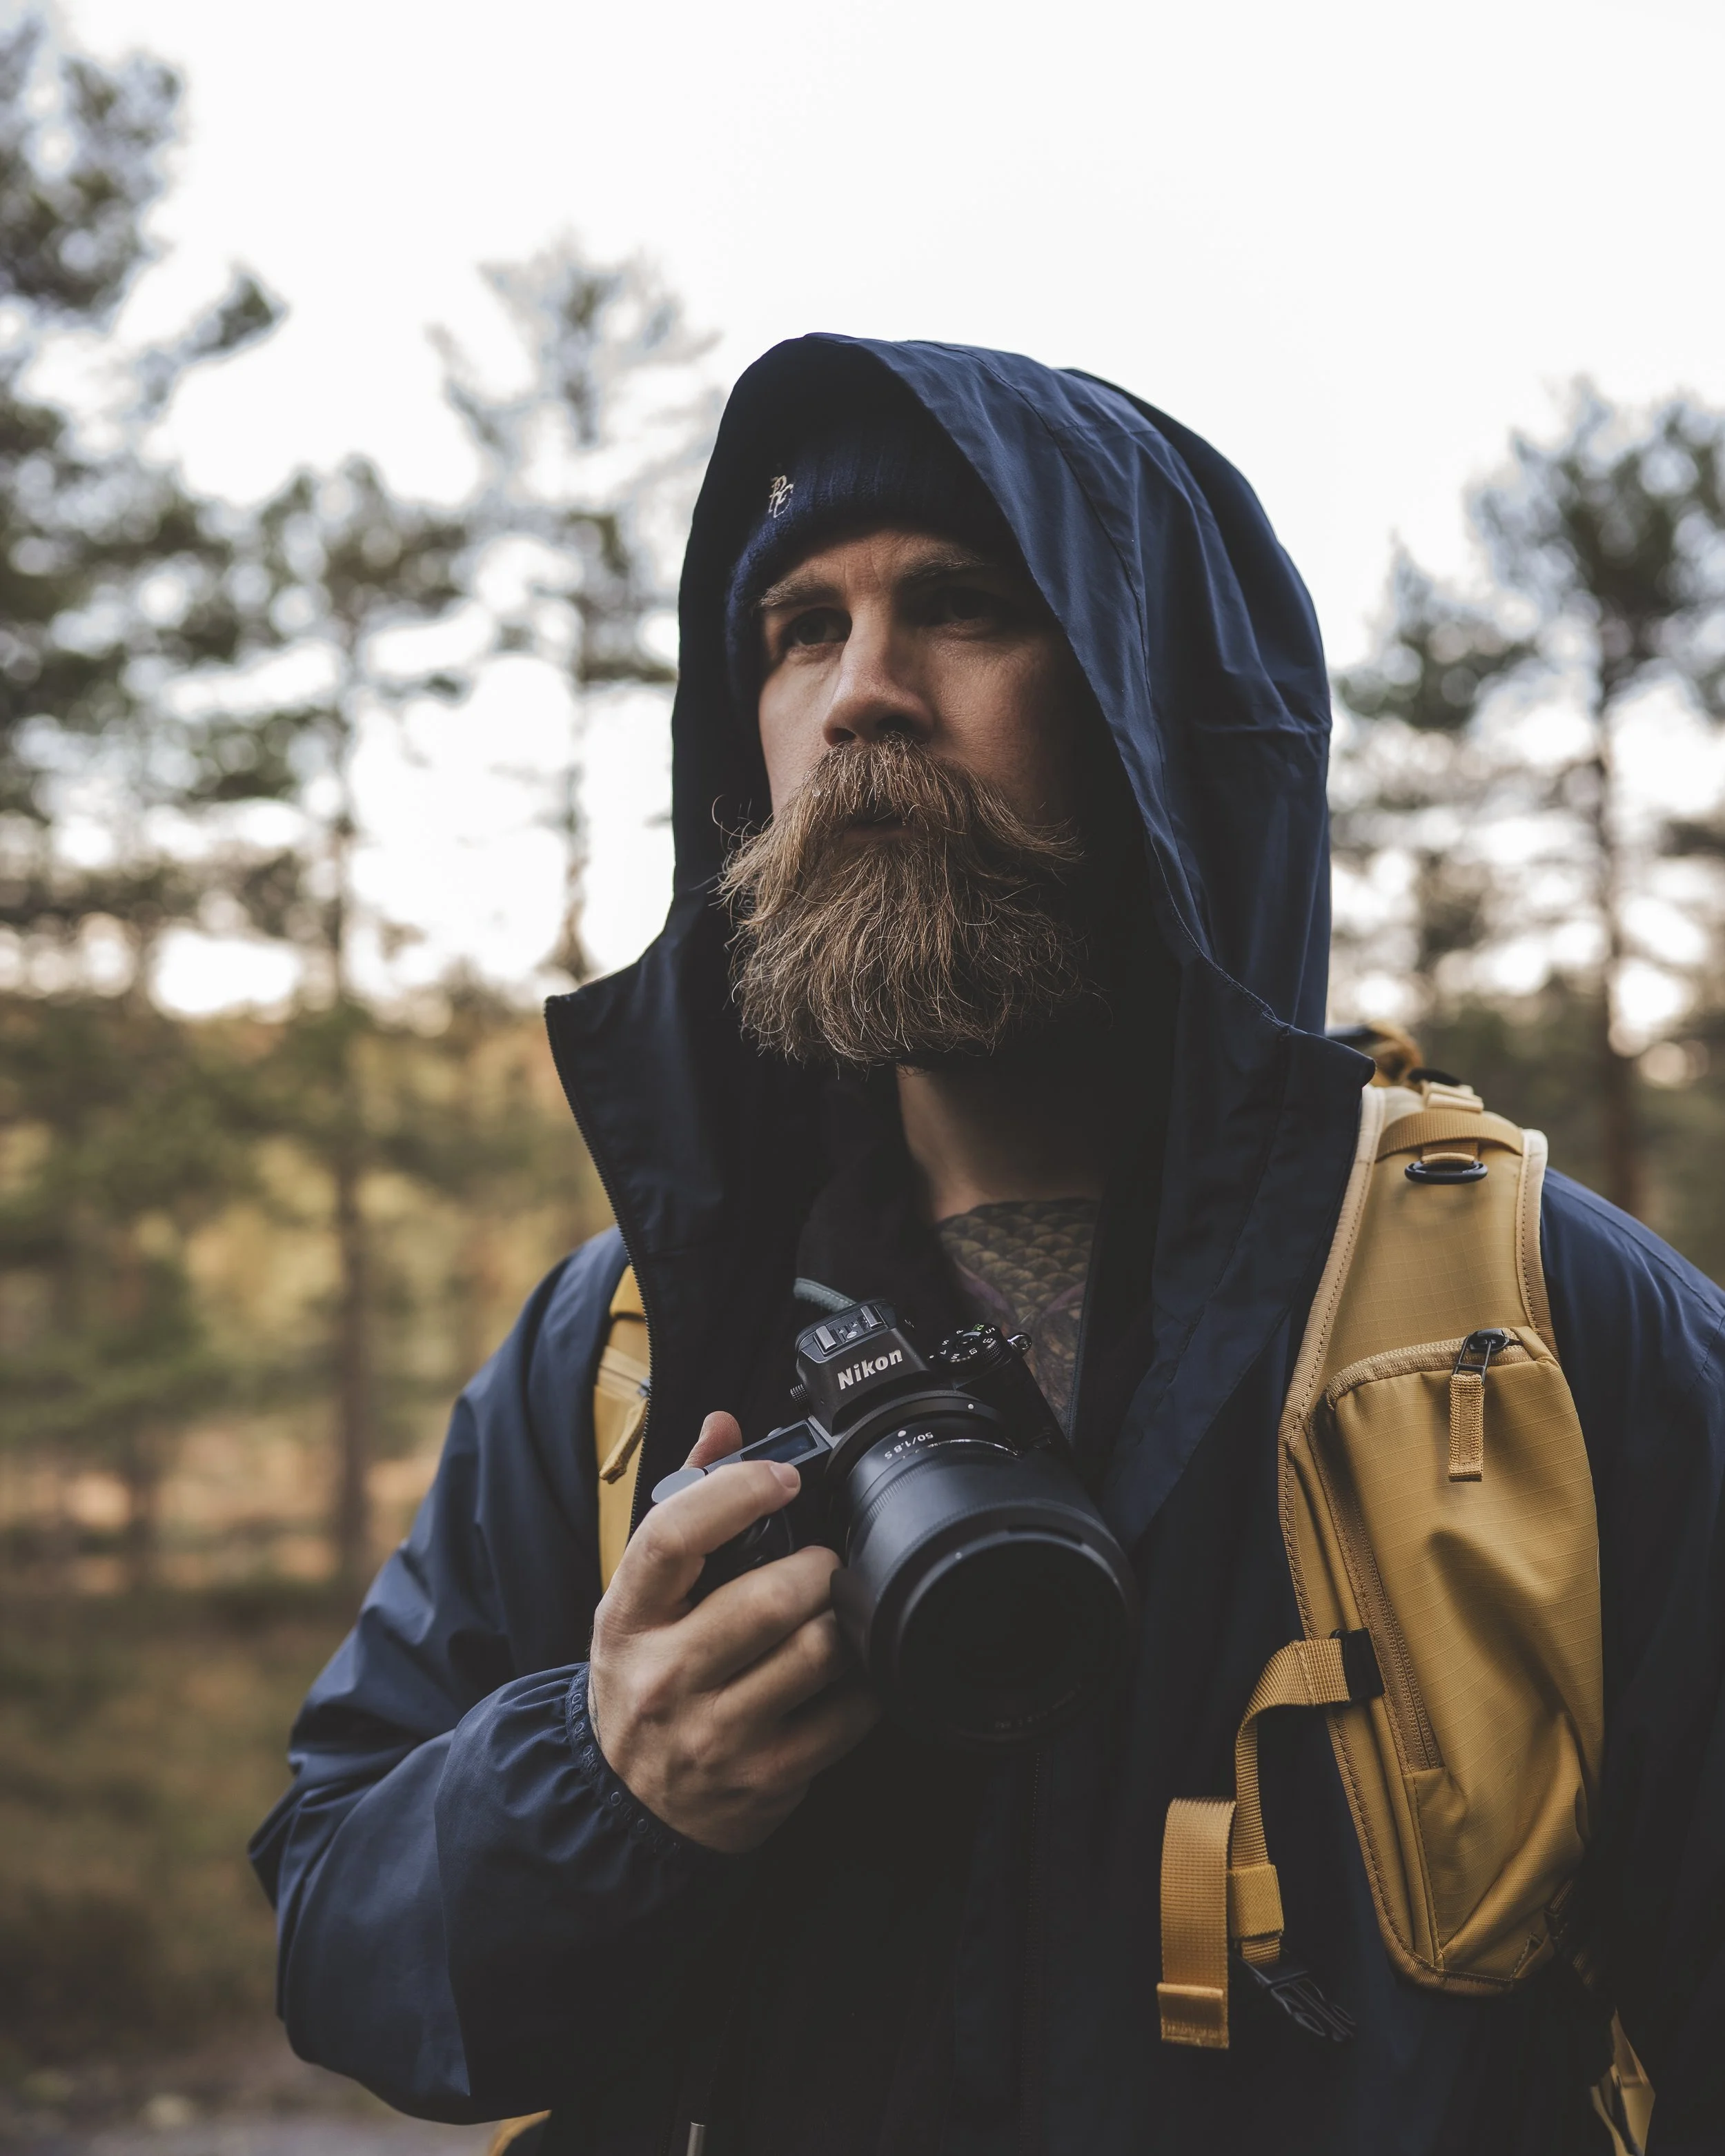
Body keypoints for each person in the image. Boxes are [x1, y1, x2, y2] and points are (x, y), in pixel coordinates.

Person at [250, 337, 1725, 2155]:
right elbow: (336, 1930)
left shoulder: (1533, 1335)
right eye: (796, 628)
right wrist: (604, 1788)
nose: (859, 692)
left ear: (1154, 709)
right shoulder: (624, 1339)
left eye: (958, 605)